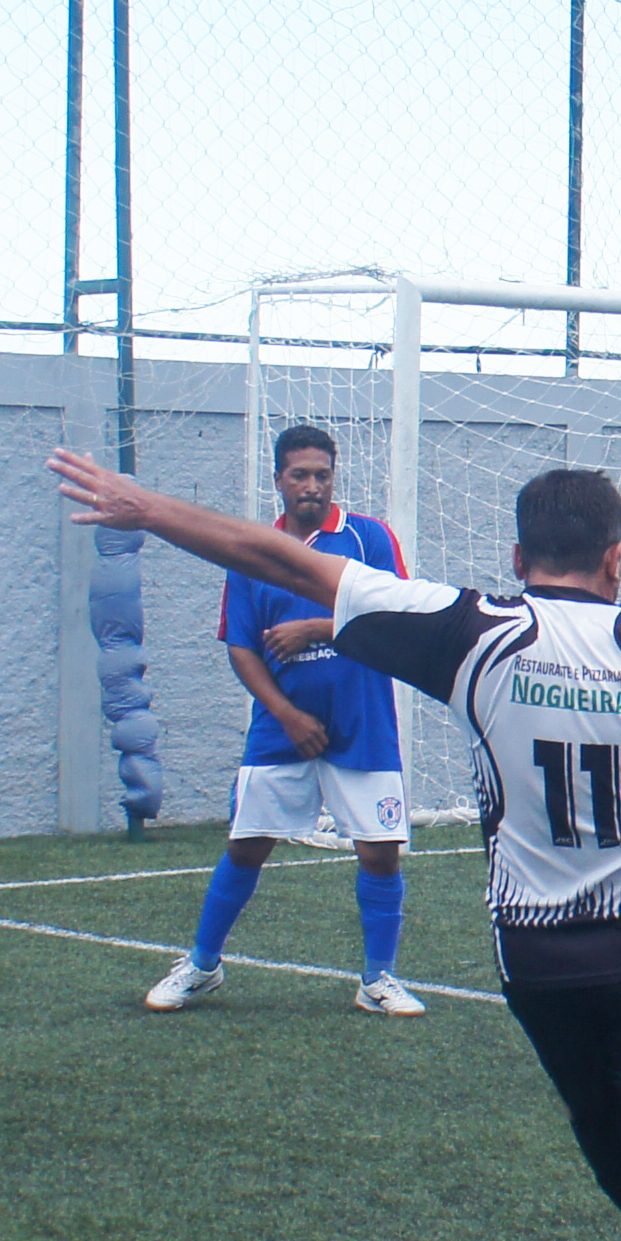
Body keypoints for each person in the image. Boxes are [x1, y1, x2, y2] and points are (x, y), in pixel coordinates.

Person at [53, 448, 621, 1241]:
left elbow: (281, 559)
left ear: (516, 559)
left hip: (532, 947)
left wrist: (149, 509)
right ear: (617, 561)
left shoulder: (470, 630)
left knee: (595, 1109)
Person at [145, 425, 424, 1016]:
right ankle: (201, 965)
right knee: (247, 846)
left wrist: (319, 629)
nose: (313, 486)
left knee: (379, 853)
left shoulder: (368, 539)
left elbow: (400, 615)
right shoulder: (254, 552)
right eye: (300, 475)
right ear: (279, 480)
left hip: (363, 722)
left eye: (323, 474)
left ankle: (378, 979)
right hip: (280, 729)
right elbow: (241, 646)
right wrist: (286, 713)